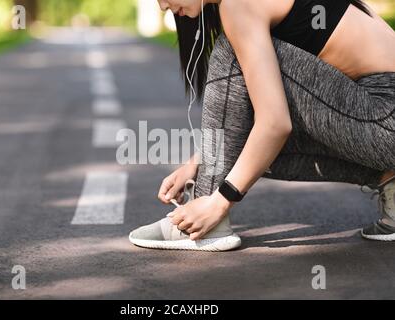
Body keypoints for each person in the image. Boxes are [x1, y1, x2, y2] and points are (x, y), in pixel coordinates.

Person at [129, 0, 395, 251]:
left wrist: (219, 202)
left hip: (385, 116)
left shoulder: (238, 5)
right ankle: (390, 182)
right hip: (380, 120)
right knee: (247, 147)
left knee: (231, 53)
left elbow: (274, 124)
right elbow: (247, 122)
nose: (163, 6)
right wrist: (197, 162)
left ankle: (205, 219)